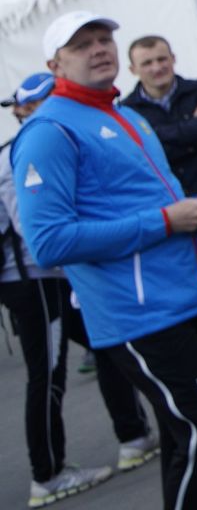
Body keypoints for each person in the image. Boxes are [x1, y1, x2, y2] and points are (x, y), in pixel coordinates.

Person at [12, 12, 197, 509]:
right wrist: (165, 220)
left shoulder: (126, 115)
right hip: (137, 314)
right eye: (81, 44)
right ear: (55, 63)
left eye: (103, 39)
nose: (98, 49)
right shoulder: (48, 131)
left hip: (179, 298)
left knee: (183, 435)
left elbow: (144, 199)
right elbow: (47, 241)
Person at [3, 73, 120, 508]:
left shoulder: (25, 146)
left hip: (34, 279)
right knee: (48, 375)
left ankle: (135, 436)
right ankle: (47, 475)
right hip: (35, 280)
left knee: (107, 344)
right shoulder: (27, 149)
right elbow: (35, 233)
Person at [119, 37, 197, 293]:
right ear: (133, 70)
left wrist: (157, 136)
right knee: (189, 298)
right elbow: (141, 157)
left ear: (173, 58)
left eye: (162, 59)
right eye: (147, 62)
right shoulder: (126, 111)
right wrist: (195, 131)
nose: (156, 67)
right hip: (170, 216)